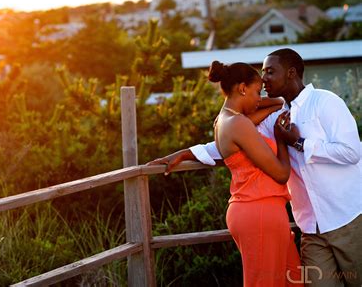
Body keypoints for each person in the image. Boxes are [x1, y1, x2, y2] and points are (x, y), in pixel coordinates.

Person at [155, 48, 361, 286]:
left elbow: (351, 152)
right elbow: (233, 143)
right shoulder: (273, 117)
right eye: (262, 73)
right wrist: (185, 153)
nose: (264, 79)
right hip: (310, 226)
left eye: (270, 72)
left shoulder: (326, 102)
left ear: (291, 73)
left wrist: (299, 142)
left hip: (348, 217)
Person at [148, 61, 303, 286]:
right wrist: (281, 138)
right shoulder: (238, 124)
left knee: (294, 281)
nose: (260, 98)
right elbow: (280, 174)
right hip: (258, 211)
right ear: (242, 88)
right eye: (257, 91)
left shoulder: (226, 120)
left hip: (260, 210)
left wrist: (274, 104)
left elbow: (274, 104)